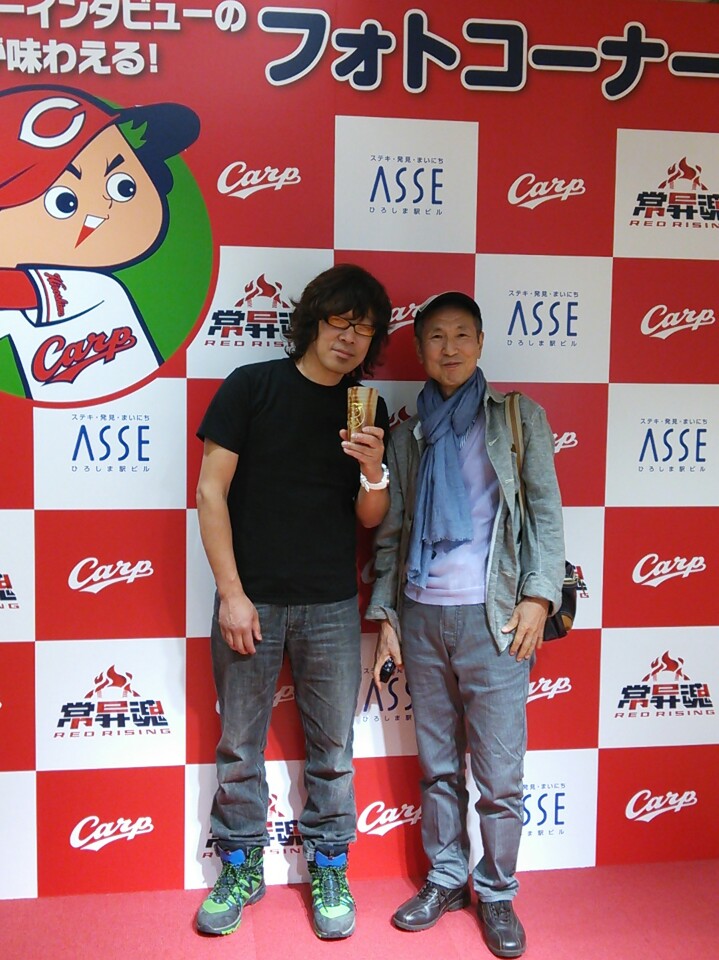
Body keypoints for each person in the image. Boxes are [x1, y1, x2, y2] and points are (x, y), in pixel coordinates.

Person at [194, 263, 392, 940]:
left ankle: (330, 867)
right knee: (239, 745)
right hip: (251, 599)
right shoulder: (252, 386)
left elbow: (370, 518)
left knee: (333, 748)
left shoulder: (366, 407)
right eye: (341, 322)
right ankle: (239, 865)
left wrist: (373, 469)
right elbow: (210, 492)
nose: (350, 338)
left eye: (365, 329)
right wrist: (231, 594)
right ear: (312, 320)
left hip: (332, 605)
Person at [366, 291, 565, 959]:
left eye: (460, 335)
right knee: (437, 767)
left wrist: (537, 597)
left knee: (500, 775)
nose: (448, 348)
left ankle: (498, 892)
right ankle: (447, 879)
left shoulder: (516, 417)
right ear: (419, 348)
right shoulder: (408, 435)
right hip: (422, 616)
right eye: (435, 337)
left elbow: (545, 514)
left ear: (479, 343)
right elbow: (391, 538)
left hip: (496, 620)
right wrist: (387, 616)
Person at [0, 84, 199, 402]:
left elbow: (19, 291)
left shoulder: (88, 288)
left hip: (140, 413)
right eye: (65, 202)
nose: (101, 210)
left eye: (123, 185)